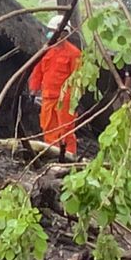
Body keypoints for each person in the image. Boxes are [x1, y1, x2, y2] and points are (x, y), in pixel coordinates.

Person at [27, 15, 82, 155]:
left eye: (54, 31)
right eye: (50, 31)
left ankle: (69, 158)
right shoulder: (46, 50)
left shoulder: (74, 53)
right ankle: (51, 155)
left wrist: (74, 100)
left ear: (64, 33)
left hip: (65, 100)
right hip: (48, 98)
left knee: (66, 130)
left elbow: (78, 79)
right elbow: (37, 71)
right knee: (48, 128)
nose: (51, 34)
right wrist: (33, 91)